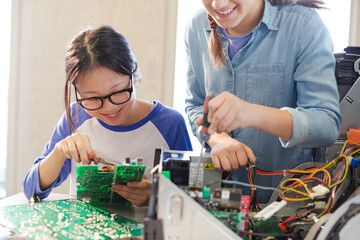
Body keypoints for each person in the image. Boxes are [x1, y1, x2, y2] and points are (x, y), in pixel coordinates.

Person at [185, 0, 342, 202]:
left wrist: (251, 114)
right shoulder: (196, 27)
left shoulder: (304, 26)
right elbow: (196, 105)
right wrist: (218, 139)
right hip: (218, 202)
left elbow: (327, 125)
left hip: (286, 206)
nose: (218, 3)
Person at [22, 26, 193, 206]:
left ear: (133, 74)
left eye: (117, 92)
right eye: (93, 98)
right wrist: (59, 151)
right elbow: (31, 190)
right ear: (77, 91)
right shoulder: (76, 117)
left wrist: (156, 197)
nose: (109, 108)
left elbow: (191, 202)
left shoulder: (170, 124)